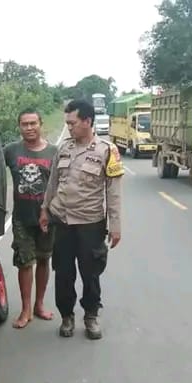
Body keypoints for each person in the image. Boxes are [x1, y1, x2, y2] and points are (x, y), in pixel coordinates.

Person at [39, 99, 124, 340]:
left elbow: (113, 192)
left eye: (72, 123)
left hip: (90, 223)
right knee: (63, 273)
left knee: (90, 273)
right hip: (62, 221)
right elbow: (53, 183)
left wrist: (115, 227)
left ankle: (91, 315)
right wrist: (45, 209)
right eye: (66, 123)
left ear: (87, 121)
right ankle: (67, 315)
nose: (69, 128)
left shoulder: (107, 150)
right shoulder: (63, 149)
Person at [3, 108, 59, 329]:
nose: (29, 128)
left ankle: (39, 305)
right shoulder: (11, 151)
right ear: (19, 127)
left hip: (48, 218)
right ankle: (26, 310)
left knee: (44, 259)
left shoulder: (54, 152)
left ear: (41, 124)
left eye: (33, 123)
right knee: (25, 263)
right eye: (24, 124)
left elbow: (60, 184)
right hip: (21, 218)